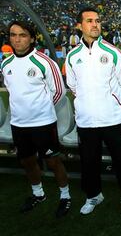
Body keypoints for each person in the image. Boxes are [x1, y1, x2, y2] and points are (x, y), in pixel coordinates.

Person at [65, 7, 121, 215]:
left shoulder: (112, 52)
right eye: (89, 21)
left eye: (97, 20)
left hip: (113, 120)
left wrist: (114, 105)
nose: (95, 24)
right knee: (89, 163)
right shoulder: (72, 56)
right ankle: (93, 196)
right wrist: (86, 104)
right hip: (86, 122)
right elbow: (73, 86)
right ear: (79, 26)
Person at [1, 20, 71, 218]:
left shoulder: (44, 62)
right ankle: (38, 194)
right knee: (28, 162)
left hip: (43, 124)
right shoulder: (6, 64)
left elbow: (59, 91)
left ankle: (65, 196)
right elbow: (12, 90)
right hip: (18, 124)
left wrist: (43, 109)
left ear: (31, 38)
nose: (17, 39)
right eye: (13, 35)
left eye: (22, 35)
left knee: (54, 162)